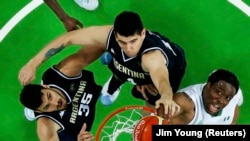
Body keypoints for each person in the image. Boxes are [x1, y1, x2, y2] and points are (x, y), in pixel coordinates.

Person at [18, 11, 187, 119]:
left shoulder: (152, 57)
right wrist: (32, 64)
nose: (129, 48)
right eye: (122, 42)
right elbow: (68, 38)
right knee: (121, 64)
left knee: (152, 100)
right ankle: (115, 76)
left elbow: (161, 77)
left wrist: (165, 96)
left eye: (133, 41)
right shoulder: (108, 35)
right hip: (134, 67)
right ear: (115, 34)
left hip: (169, 68)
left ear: (143, 33)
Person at [19, 47, 102, 141]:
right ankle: (31, 112)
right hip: (70, 119)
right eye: (47, 107)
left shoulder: (63, 73)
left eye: (49, 96)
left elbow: (97, 46)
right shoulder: (46, 128)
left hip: (89, 90)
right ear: (40, 111)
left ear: (46, 86)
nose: (55, 103)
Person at [158, 69, 243, 124]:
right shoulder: (185, 103)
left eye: (227, 98)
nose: (221, 101)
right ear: (208, 85)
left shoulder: (235, 95)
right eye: (218, 92)